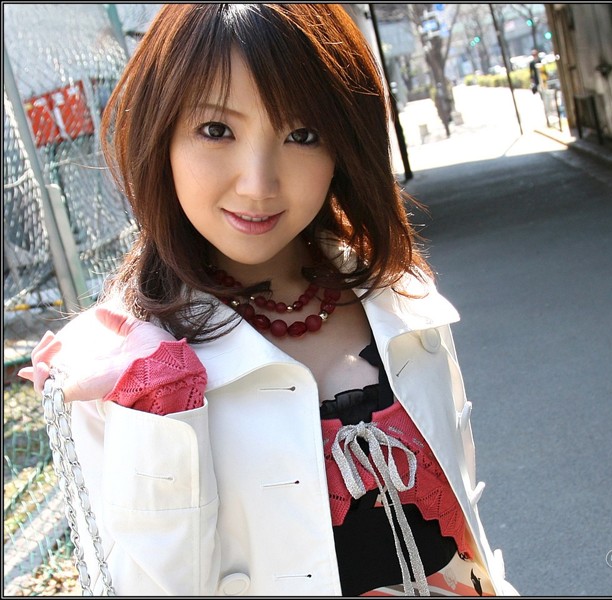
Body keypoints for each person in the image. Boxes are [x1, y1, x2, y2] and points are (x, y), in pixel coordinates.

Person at [19, 4, 518, 597]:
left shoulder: (398, 294)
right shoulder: (124, 366)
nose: (258, 183)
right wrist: (161, 409)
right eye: (217, 130)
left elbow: (464, 521)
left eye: (301, 135)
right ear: (160, 134)